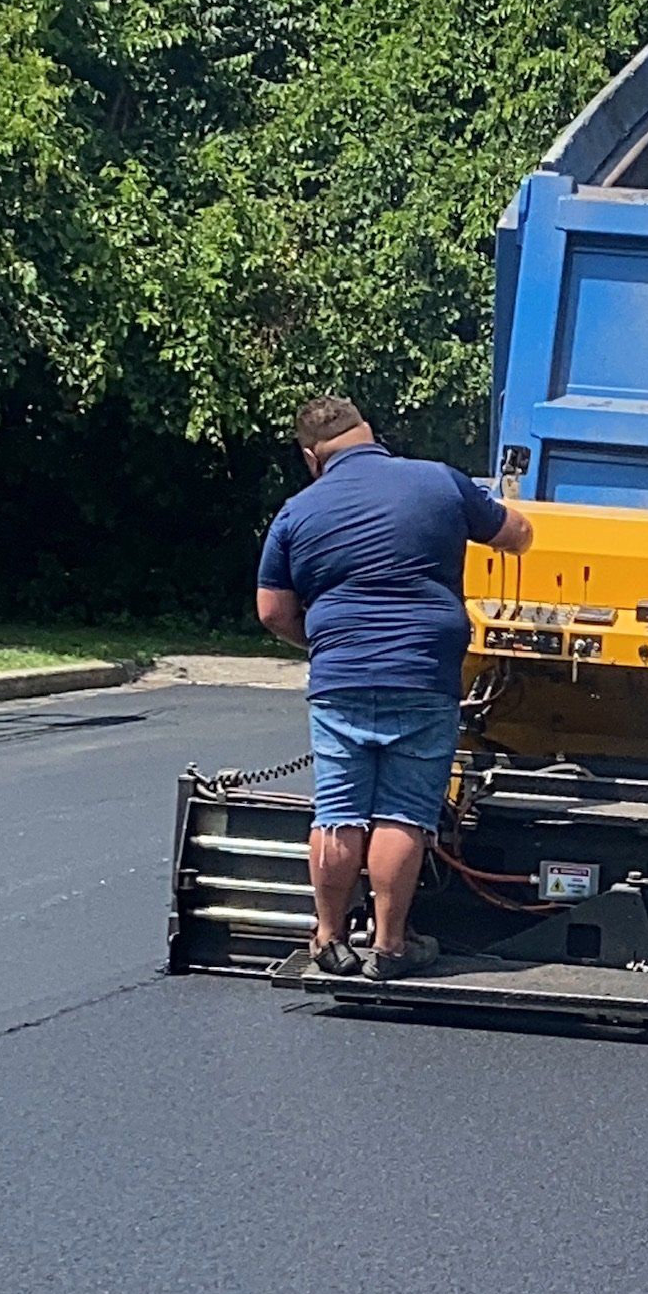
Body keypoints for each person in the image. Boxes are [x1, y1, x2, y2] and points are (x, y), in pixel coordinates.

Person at [256, 395, 532, 981]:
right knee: (404, 813)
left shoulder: (296, 512)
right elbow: (517, 534)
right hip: (424, 674)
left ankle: (329, 939)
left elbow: (273, 611)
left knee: (337, 811)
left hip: (341, 680)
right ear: (370, 431)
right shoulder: (438, 482)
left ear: (312, 457)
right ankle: (390, 946)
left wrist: (326, 643)